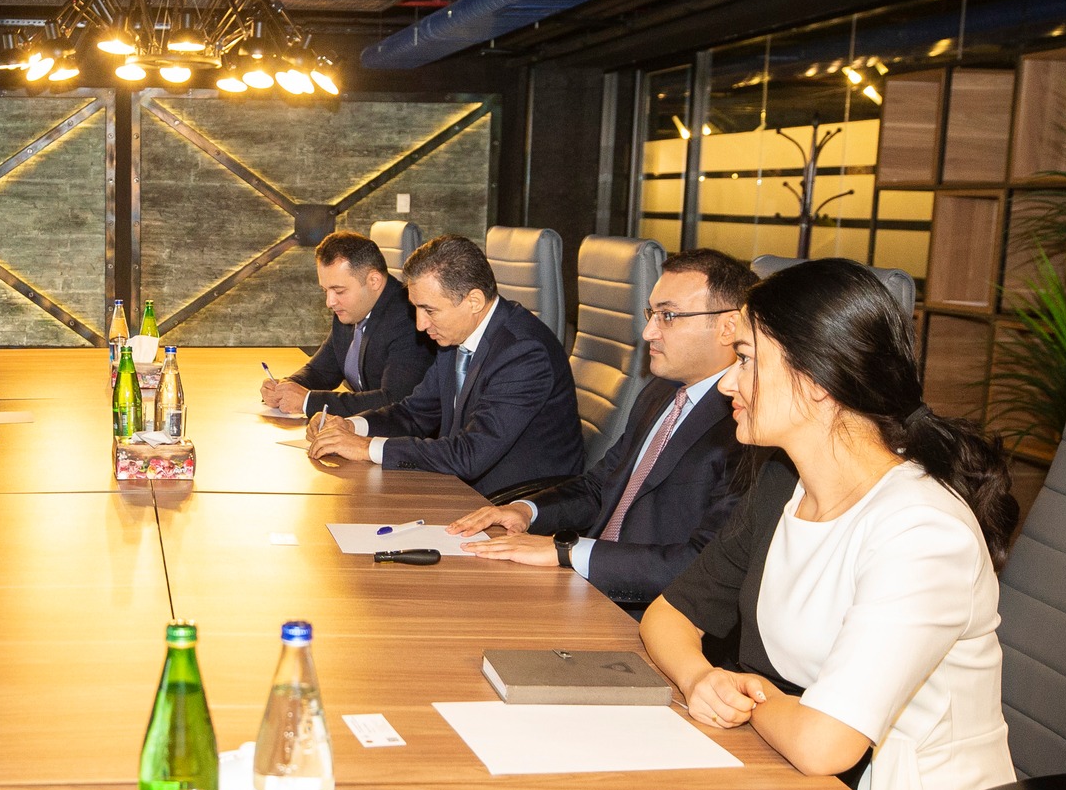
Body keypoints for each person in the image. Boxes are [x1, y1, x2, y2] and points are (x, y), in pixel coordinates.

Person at [639, 257, 1033, 790]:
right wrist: (701, 678)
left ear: (817, 381)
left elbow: (824, 744)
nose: (728, 381)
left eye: (746, 359)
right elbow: (666, 617)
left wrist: (747, 695)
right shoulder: (784, 487)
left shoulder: (920, 530)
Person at [448, 249, 758, 610]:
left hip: (644, 611)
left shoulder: (747, 428)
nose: (648, 332)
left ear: (729, 327)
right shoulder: (661, 391)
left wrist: (567, 551)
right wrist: (527, 511)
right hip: (588, 584)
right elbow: (600, 487)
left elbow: (700, 565)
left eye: (669, 316)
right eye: (651, 314)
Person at [305, 235, 583, 498]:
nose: (420, 324)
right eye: (416, 308)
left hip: (509, 503)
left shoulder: (523, 353)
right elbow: (414, 413)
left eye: (429, 310)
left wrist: (367, 448)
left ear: (474, 301)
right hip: (459, 487)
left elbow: (470, 455)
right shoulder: (455, 337)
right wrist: (351, 426)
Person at [259, 231, 434, 417]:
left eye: (339, 291)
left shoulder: (409, 319)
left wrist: (308, 401)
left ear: (374, 280)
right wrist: (286, 387)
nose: (330, 302)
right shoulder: (350, 309)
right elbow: (321, 371)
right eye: (325, 291)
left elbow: (394, 401)